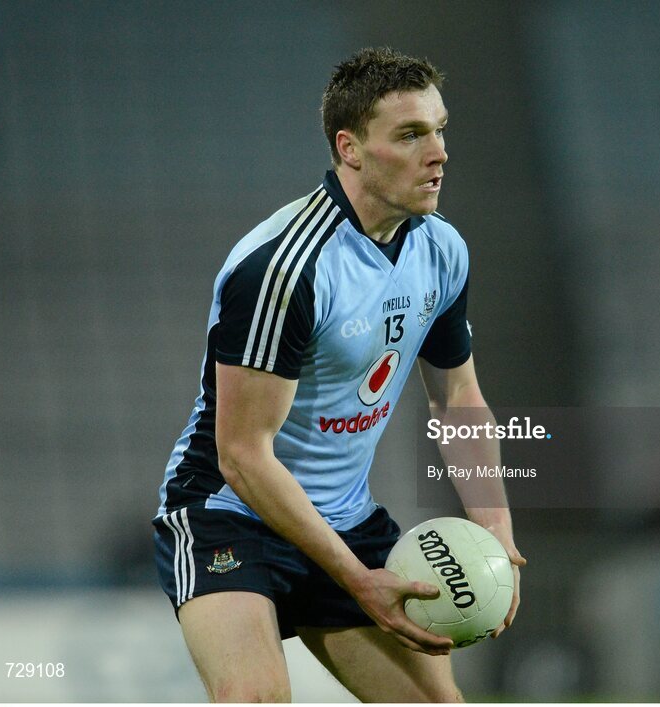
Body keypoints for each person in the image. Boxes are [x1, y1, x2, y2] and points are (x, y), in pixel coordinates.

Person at [152, 47, 525, 703]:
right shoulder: (283, 268)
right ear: (350, 148)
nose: (437, 152)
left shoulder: (441, 249)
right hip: (228, 515)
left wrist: (495, 533)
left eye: (439, 129)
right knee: (255, 700)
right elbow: (242, 456)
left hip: (345, 519)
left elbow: (459, 397)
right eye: (410, 135)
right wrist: (357, 578)